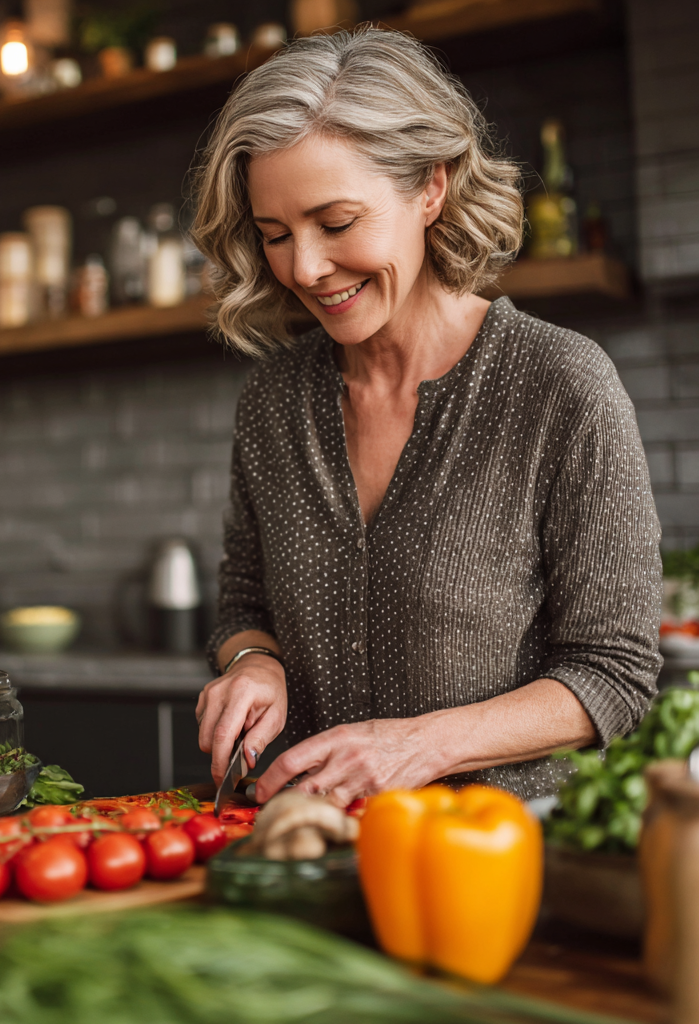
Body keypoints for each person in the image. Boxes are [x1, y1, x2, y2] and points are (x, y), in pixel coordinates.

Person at [190, 27, 661, 807]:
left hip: (501, 857)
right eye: (275, 235)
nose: (303, 267)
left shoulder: (558, 385)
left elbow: (613, 673)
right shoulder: (274, 401)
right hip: (308, 847)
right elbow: (245, 605)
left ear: (430, 189)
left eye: (336, 223)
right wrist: (252, 663)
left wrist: (419, 745)